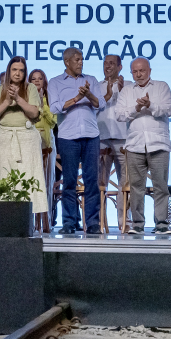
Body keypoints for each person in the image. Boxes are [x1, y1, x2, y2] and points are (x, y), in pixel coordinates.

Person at [114, 57, 171, 233]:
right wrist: (137, 108)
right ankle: (138, 225)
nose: (139, 74)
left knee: (161, 186)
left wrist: (150, 104)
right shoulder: (126, 91)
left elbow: (168, 109)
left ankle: (162, 224)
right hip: (134, 145)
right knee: (136, 188)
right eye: (135, 71)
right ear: (131, 72)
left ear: (149, 70)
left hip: (159, 143)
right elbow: (120, 115)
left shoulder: (161, 86)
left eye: (142, 71)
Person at [0, 56, 49, 220]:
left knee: (28, 178)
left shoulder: (30, 89)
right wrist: (7, 101)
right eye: (14, 69)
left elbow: (35, 113)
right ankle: (3, 218)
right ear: (9, 71)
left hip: (26, 138)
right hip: (5, 138)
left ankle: (26, 220)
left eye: (21, 70)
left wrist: (19, 99)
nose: (18, 73)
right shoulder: (1, 89)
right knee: (4, 178)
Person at [47, 47, 103, 233]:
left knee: (91, 180)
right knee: (69, 181)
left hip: (91, 135)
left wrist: (88, 95)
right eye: (77, 60)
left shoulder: (91, 80)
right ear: (67, 62)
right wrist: (78, 98)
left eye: (82, 60)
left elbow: (100, 104)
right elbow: (54, 108)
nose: (80, 63)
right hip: (68, 137)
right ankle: (69, 223)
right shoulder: (55, 83)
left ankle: (93, 223)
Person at [27, 69, 58, 233]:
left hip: (48, 143)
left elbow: (53, 122)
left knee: (47, 183)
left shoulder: (50, 98)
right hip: (30, 142)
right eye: (33, 79)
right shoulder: (26, 98)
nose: (37, 81)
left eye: (40, 79)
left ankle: (47, 222)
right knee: (31, 183)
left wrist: (42, 106)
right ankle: (31, 222)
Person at [97, 54, 129, 199]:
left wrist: (122, 92)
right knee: (100, 183)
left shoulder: (129, 86)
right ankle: (99, 221)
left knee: (125, 183)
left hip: (123, 139)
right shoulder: (96, 86)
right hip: (101, 138)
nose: (107, 66)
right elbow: (92, 109)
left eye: (111, 63)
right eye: (105, 63)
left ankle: (124, 221)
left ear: (119, 67)